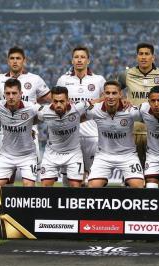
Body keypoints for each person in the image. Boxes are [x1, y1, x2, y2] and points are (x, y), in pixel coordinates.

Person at [118, 42, 159, 166]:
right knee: (130, 172)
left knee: (154, 173)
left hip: (157, 133)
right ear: (136, 57)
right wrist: (121, 99)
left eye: (147, 54)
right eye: (140, 54)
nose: (143, 57)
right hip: (132, 131)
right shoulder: (126, 75)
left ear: (153, 57)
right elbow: (113, 91)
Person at [56, 46, 106, 181]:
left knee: (93, 175)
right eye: (76, 57)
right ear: (72, 60)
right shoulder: (63, 80)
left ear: (88, 61)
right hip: (70, 134)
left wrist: (92, 102)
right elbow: (56, 103)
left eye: (82, 57)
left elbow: (108, 99)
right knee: (69, 175)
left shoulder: (98, 80)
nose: (79, 60)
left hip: (93, 135)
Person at [86, 81, 144, 188]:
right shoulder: (94, 110)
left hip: (128, 156)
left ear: (120, 94)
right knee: (93, 187)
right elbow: (76, 118)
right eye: (107, 93)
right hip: (103, 156)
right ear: (103, 94)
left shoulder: (130, 110)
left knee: (138, 187)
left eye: (114, 93)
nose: (111, 96)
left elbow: (150, 119)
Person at [37, 86, 93, 187]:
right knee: (45, 187)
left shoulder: (77, 108)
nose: (58, 104)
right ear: (52, 101)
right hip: (52, 154)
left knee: (75, 186)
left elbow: (95, 102)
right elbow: (28, 116)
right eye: (55, 101)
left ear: (68, 101)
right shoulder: (43, 112)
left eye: (62, 101)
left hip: (73, 153)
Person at [0, 78, 39, 187]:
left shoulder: (31, 108)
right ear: (4, 94)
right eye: (8, 93)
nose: (11, 96)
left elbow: (47, 115)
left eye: (14, 93)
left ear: (21, 94)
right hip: (6, 155)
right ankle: (0, 205)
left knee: (29, 186)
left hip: (27, 155)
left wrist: (29, 127)